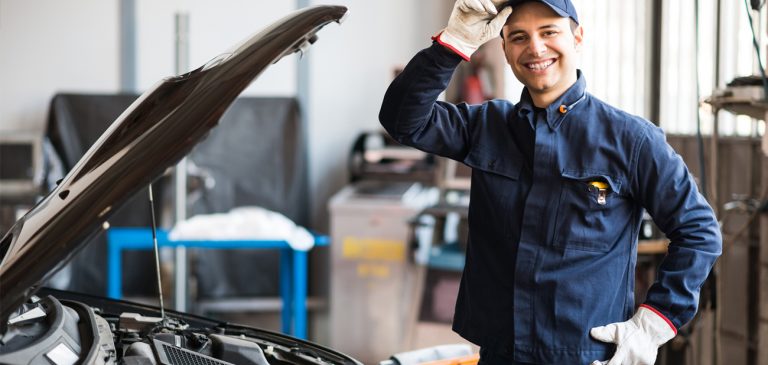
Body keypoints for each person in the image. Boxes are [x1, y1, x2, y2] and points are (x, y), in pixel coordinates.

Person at [378, 0, 722, 364]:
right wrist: (454, 43)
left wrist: (654, 321)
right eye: (519, 37)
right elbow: (403, 120)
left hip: (589, 356)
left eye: (549, 32)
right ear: (506, 52)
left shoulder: (631, 140)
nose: (536, 48)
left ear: (578, 38)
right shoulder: (487, 127)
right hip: (500, 354)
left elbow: (699, 230)